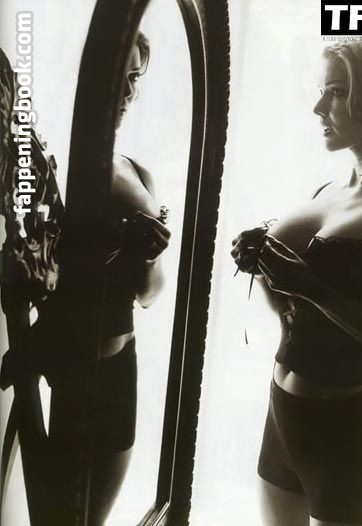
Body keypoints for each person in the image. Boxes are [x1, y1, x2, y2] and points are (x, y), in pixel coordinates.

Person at [231, 39, 362, 526]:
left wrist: (313, 288)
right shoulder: (329, 190)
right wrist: (261, 263)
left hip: (349, 433)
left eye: (337, 92)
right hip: (282, 417)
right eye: (321, 91)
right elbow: (295, 313)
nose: (318, 107)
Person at [39, 31, 171, 525]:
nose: (129, 91)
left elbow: (150, 295)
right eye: (120, 74)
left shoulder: (137, 170)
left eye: (136, 78)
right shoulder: (54, 171)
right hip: (74, 373)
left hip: (119, 370)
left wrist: (149, 258)